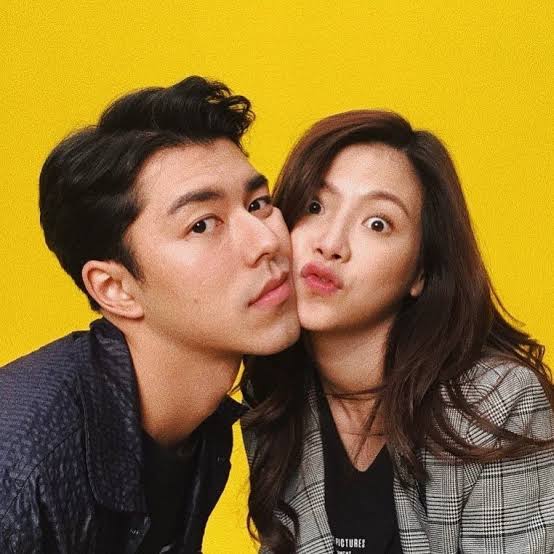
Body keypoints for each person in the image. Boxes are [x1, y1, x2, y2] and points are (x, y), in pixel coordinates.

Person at [0, 76, 300, 553]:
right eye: (202, 225)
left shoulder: (199, 428)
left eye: (258, 204)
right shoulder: (23, 470)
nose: (266, 241)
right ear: (115, 289)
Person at [241, 110, 554, 554]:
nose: (331, 243)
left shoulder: (497, 403)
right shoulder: (275, 396)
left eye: (377, 223)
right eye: (315, 206)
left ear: (419, 273)